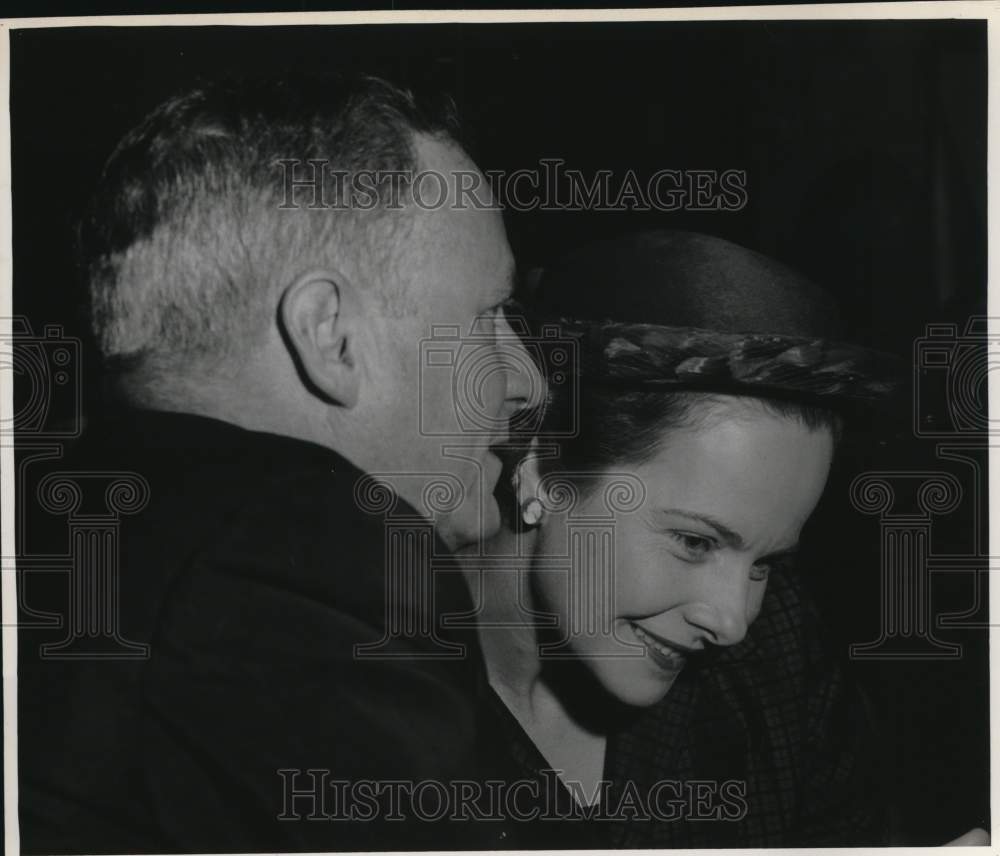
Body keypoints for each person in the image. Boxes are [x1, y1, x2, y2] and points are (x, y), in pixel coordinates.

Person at [17, 75, 542, 852]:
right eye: (487, 315)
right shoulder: (304, 558)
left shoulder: (96, 526)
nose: (528, 378)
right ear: (330, 336)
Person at [460, 229, 912, 846]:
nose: (732, 623)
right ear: (541, 464)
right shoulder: (358, 701)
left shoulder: (778, 662)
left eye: (766, 563)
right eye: (695, 543)